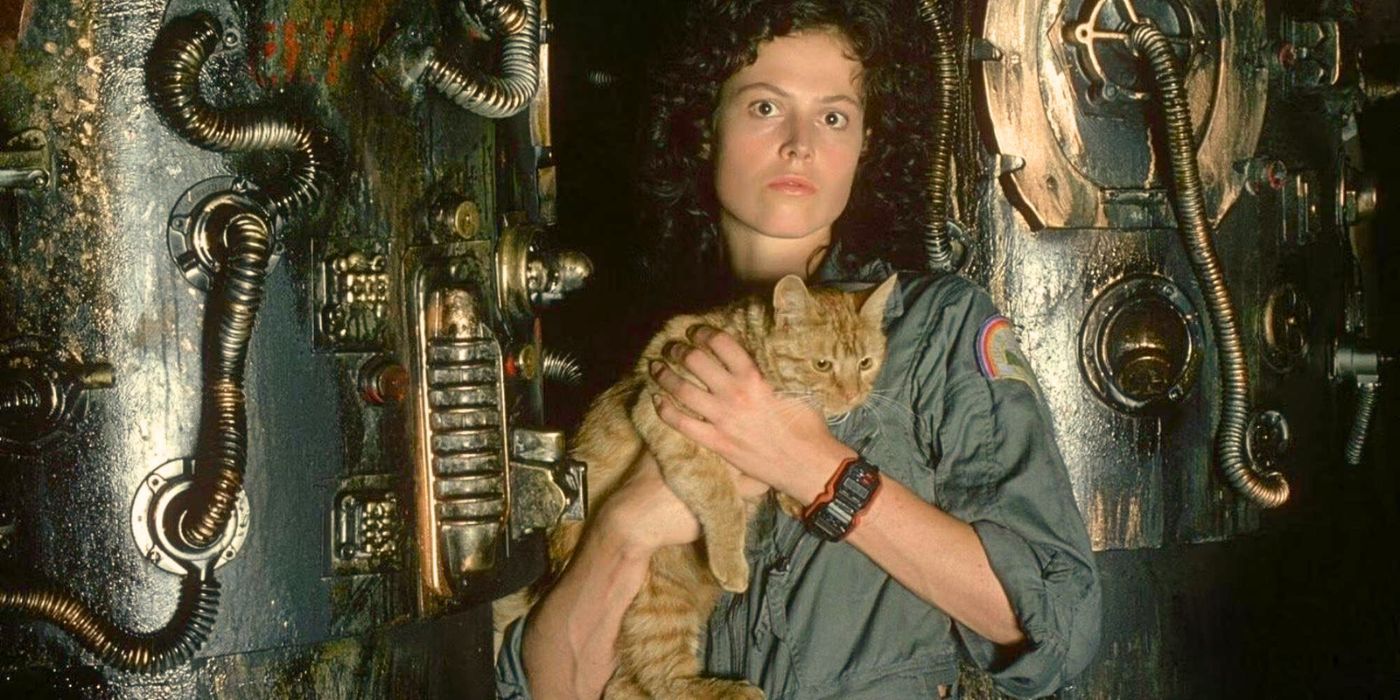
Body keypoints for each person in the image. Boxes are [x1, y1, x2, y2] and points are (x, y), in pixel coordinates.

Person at [497, 1, 1101, 697]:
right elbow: (538, 687)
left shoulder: (933, 328)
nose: (799, 144)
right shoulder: (639, 360)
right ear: (703, 129)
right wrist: (626, 527)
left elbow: (1060, 626)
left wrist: (808, 464)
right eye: (763, 107)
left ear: (865, 142)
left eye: (834, 116)